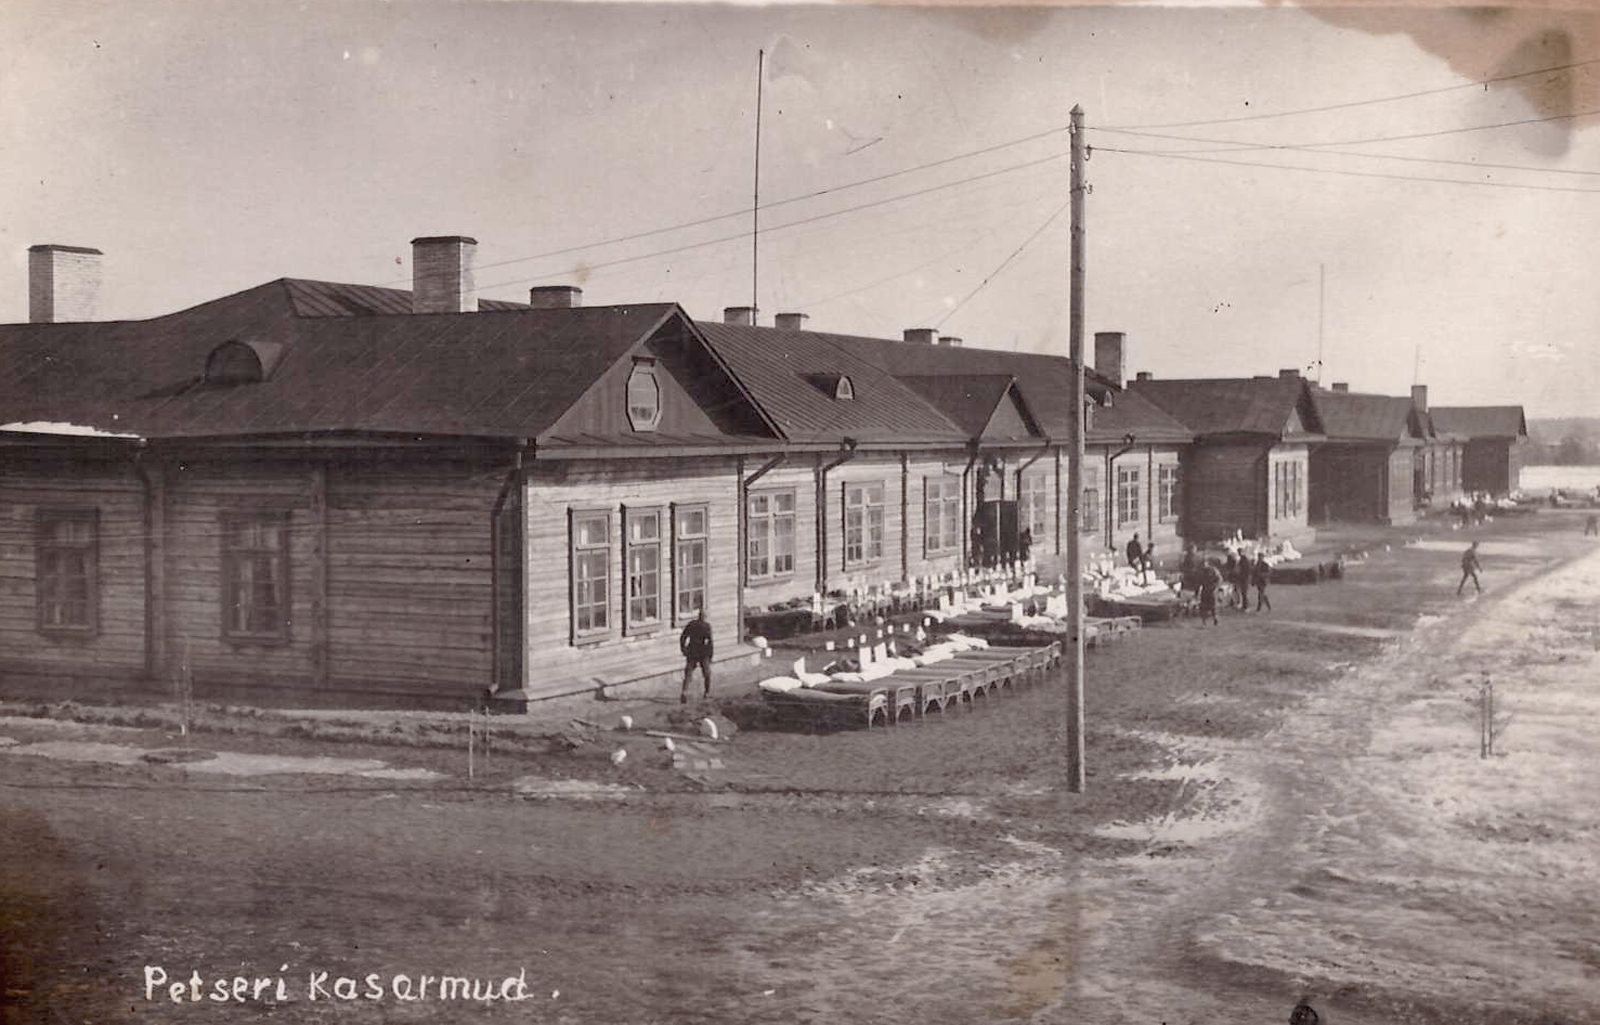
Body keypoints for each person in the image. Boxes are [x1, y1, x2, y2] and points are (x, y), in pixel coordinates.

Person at [679, 607, 714, 703]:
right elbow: (710, 642)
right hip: (703, 653)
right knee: (707, 674)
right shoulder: (706, 626)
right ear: (705, 616)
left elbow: (683, 637)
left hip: (692, 651)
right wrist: (710, 655)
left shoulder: (691, 624)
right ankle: (707, 693)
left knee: (688, 673)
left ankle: (684, 692)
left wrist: (683, 648)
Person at [1197, 560, 1222, 626]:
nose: (1203, 566)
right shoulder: (1201, 572)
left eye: (1204, 564)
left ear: (1207, 564)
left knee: (1213, 606)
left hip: (1212, 590)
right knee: (1203, 606)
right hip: (1205, 590)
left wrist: (1216, 587)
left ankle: (1215, 618)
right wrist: (1197, 591)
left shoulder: (1213, 570)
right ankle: (1204, 622)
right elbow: (1199, 582)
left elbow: (1219, 579)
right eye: (1202, 565)